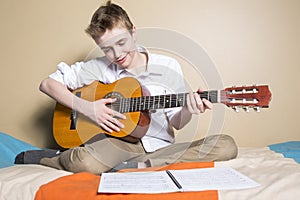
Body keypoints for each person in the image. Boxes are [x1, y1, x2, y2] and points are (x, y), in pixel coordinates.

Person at [15, 1, 237, 174]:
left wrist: (189, 108)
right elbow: (48, 84)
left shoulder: (167, 65)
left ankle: (129, 167)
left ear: (133, 33)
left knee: (226, 146)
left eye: (121, 43)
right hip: (115, 144)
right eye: (107, 49)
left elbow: (176, 122)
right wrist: (88, 108)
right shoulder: (98, 68)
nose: (117, 55)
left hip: (159, 147)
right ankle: (54, 157)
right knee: (85, 162)